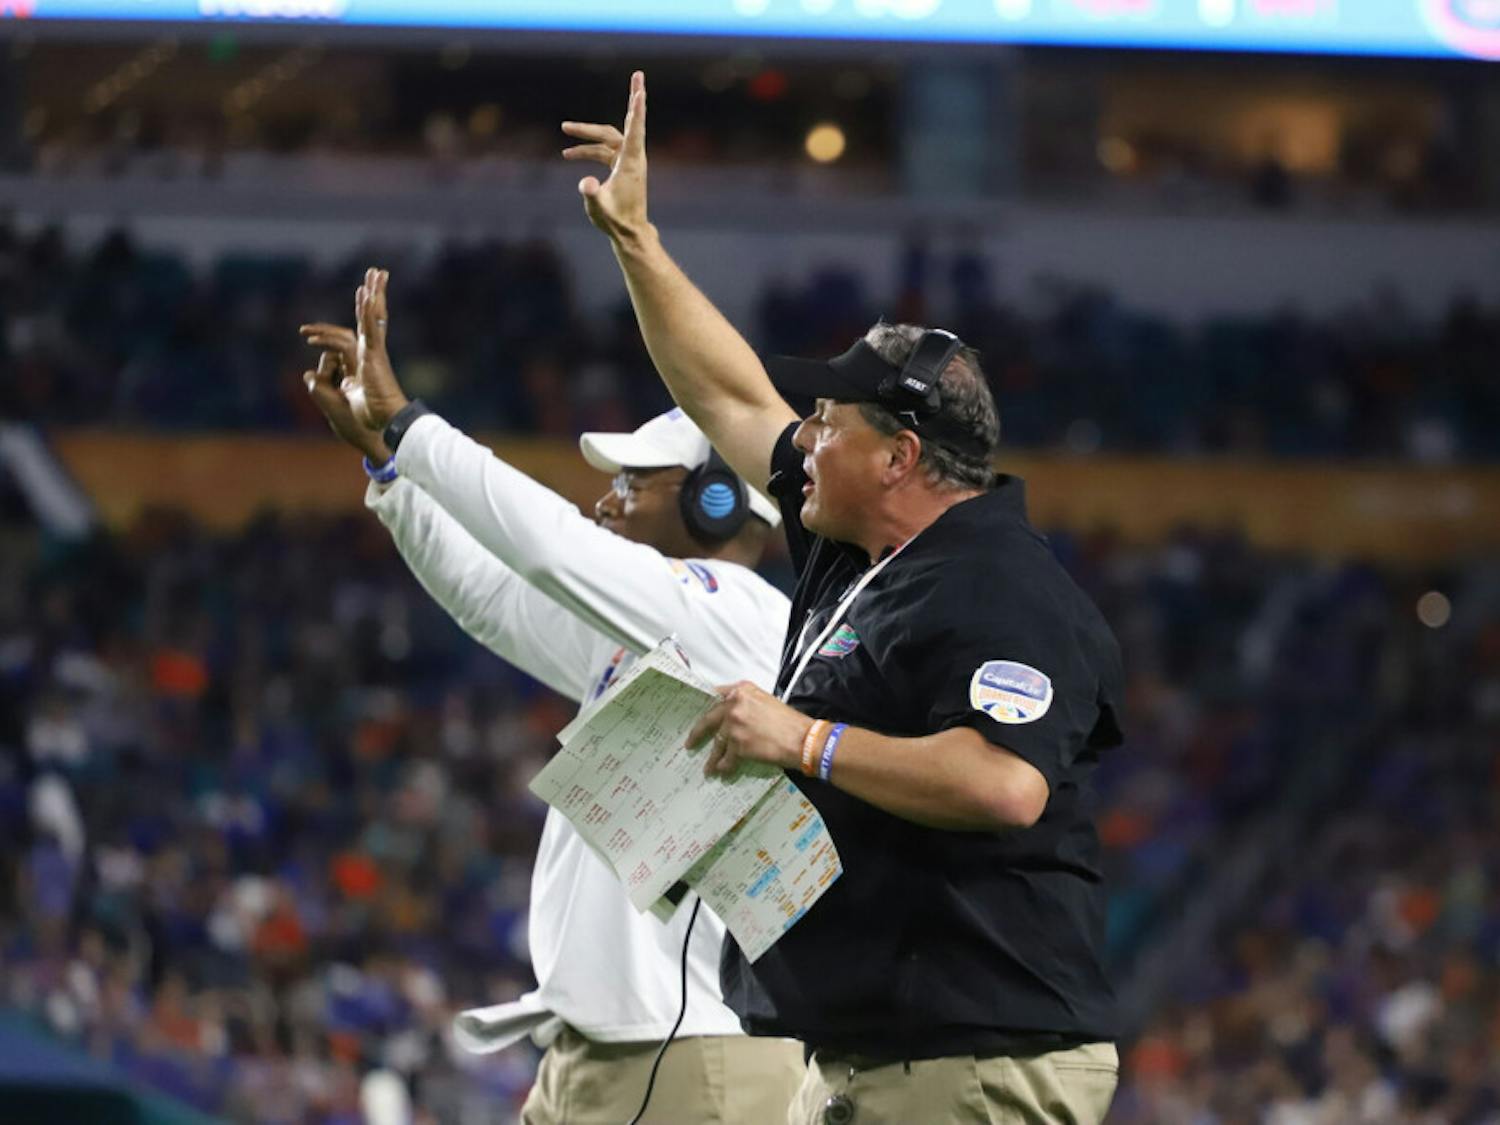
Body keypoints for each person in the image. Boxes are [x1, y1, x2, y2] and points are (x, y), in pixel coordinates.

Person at [561, 74, 1126, 1124]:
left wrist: (802, 739)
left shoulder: (1000, 584)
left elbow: (1005, 785)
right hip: (872, 1058)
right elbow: (723, 391)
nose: (803, 438)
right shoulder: (855, 553)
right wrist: (634, 239)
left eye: (828, 419)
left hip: (969, 1063)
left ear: (902, 455)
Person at [298, 270, 804, 1124]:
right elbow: (497, 599)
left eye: (636, 482)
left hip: (682, 1055)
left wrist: (411, 426)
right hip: (611, 1051)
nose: (608, 500)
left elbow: (548, 549)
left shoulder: (738, 617)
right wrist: (391, 471)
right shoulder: (665, 632)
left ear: (716, 502)